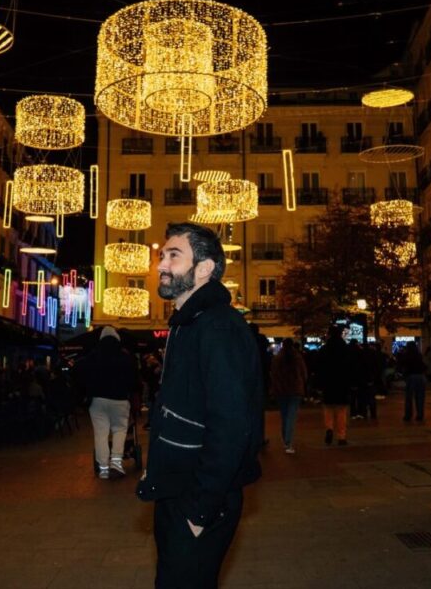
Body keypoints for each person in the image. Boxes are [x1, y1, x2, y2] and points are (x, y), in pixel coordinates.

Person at [137, 223, 262, 589]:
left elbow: (232, 425)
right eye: (162, 256)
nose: (162, 265)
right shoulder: (189, 323)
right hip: (179, 488)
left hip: (198, 497)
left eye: (174, 256)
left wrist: (200, 508)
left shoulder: (216, 326)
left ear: (205, 268)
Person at [76, 326, 136, 479]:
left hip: (98, 400)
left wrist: (86, 392)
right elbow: (133, 379)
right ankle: (116, 462)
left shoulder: (92, 356)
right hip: (120, 399)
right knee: (119, 430)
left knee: (101, 433)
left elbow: (80, 373)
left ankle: (103, 468)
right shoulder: (125, 357)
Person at [270, 338, 308, 454]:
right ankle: (288, 441)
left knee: (284, 415)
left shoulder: (277, 359)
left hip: (281, 391)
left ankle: (286, 438)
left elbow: (273, 374)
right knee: (291, 416)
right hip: (295, 390)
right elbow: (304, 373)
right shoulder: (297, 358)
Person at [317, 326, 353, 445]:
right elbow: (350, 367)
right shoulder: (345, 349)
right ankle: (341, 436)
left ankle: (329, 428)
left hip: (328, 383)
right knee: (341, 411)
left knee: (328, 408)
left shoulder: (324, 349)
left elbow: (319, 367)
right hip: (342, 383)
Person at [398, 341, 427, 422]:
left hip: (410, 376)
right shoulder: (419, 355)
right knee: (420, 397)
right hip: (420, 376)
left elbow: (402, 364)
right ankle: (420, 415)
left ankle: (408, 415)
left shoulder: (406, 355)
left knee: (409, 398)